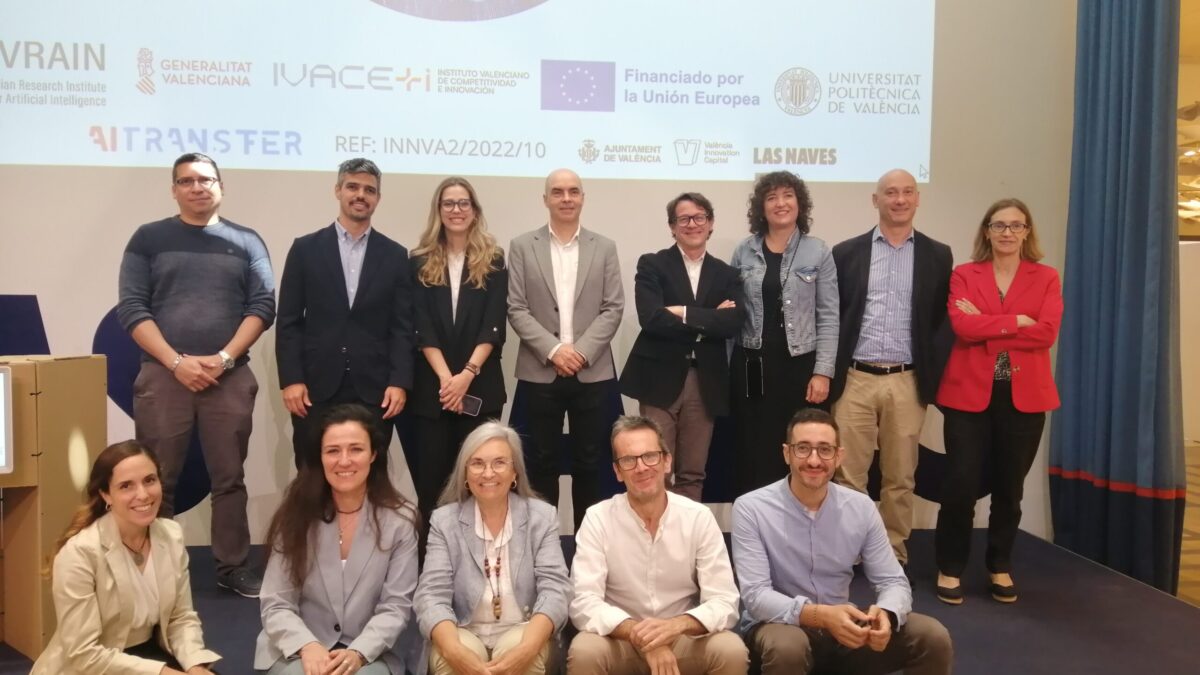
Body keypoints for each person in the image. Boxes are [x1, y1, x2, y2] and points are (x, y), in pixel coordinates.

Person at [117, 151, 275, 598]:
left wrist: (223, 359)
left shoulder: (247, 241)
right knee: (154, 480)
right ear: (174, 190)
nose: (197, 187)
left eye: (206, 179)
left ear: (221, 187)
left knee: (229, 478)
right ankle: (152, 570)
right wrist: (176, 362)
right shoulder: (148, 238)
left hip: (229, 376)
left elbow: (263, 305)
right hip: (164, 376)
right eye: (186, 181)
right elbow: (132, 307)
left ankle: (233, 567)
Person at [731, 408, 952, 675]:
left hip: (841, 629)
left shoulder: (860, 507)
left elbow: (892, 581)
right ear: (787, 453)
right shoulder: (751, 508)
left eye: (825, 450)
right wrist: (822, 616)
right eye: (803, 449)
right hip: (779, 626)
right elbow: (756, 597)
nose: (814, 460)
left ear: (839, 456)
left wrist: (887, 613)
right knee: (787, 647)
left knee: (931, 636)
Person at [934, 198, 1062, 605]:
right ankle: (950, 567)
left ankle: (999, 565)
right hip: (968, 396)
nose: (1007, 232)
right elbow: (962, 326)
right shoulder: (965, 274)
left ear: (1027, 232)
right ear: (987, 232)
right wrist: (1017, 322)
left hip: (1024, 399)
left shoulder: (1046, 277)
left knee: (1010, 489)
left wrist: (988, 324)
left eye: (1016, 225)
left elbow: (1046, 333)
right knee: (961, 485)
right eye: (999, 225)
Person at [829, 168, 953, 567]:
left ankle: (892, 553)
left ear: (917, 199)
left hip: (906, 379)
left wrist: (931, 376)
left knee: (900, 477)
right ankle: (849, 552)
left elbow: (939, 323)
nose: (899, 200)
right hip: (855, 378)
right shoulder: (846, 253)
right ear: (875, 200)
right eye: (890, 193)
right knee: (848, 476)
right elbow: (834, 316)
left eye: (907, 192)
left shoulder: (938, 255)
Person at [568, 416, 747, 675]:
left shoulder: (698, 517)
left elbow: (724, 601)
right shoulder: (598, 518)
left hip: (682, 638)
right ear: (617, 471)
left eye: (650, 456)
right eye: (629, 460)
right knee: (585, 651)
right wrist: (640, 635)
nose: (641, 467)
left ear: (667, 461)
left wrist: (676, 626)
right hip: (620, 639)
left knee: (730, 650)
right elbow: (583, 602)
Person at [255, 404, 420, 674]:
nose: (344, 461)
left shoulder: (400, 520)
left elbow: (396, 607)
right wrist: (308, 646)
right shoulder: (295, 514)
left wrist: (358, 653)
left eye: (356, 449)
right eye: (333, 451)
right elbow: (276, 601)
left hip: (368, 652)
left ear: (373, 454)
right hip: (297, 647)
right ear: (320, 457)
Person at [32, 441, 221, 674]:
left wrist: (194, 665)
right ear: (106, 495)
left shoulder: (171, 535)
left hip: (147, 652)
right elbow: (84, 654)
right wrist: (165, 673)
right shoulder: (79, 553)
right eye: (126, 486)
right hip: (89, 666)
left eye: (149, 480)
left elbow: (180, 618)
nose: (143, 494)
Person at [276, 158, 415, 471]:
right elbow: (288, 322)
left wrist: (399, 382)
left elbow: (402, 327)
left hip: (375, 389)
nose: (360, 195)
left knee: (370, 474)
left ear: (378, 198)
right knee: (312, 472)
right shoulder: (305, 249)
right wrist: (292, 379)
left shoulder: (394, 255)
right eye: (353, 187)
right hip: (315, 387)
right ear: (338, 190)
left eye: (369, 190)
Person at [507, 168, 624, 530]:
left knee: (592, 464)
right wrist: (555, 350)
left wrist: (580, 352)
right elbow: (516, 308)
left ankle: (591, 547)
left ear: (583, 198)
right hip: (540, 370)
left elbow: (613, 307)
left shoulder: (604, 247)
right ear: (545, 199)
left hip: (593, 371)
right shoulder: (522, 246)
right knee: (540, 463)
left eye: (573, 191)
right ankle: (544, 547)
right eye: (557, 192)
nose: (566, 198)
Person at [415, 422, 571, 675]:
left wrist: (528, 648)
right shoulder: (444, 521)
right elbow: (431, 595)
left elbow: (556, 591)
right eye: (477, 464)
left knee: (522, 655)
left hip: (524, 629)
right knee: (449, 659)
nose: (488, 473)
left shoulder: (542, 517)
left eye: (499, 463)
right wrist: (455, 651)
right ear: (465, 474)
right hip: (464, 631)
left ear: (515, 472)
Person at [619, 192, 743, 501]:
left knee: (693, 472)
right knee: (653, 469)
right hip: (659, 378)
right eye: (683, 219)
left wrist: (682, 312)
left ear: (710, 224)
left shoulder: (727, 273)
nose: (692, 224)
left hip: (706, 381)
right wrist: (710, 317)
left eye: (699, 217)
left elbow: (732, 323)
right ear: (672, 227)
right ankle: (653, 530)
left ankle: (686, 532)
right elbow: (651, 318)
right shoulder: (652, 264)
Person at [729, 171, 838, 496]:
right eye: (772, 197)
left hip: (800, 367)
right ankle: (756, 522)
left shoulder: (818, 251)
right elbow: (732, 312)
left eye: (788, 195)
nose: (781, 203)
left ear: (799, 203)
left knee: (800, 448)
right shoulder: (744, 251)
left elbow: (829, 315)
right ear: (761, 207)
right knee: (753, 450)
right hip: (752, 366)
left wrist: (823, 372)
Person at [410, 177, 508, 533]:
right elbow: (421, 327)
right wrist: (446, 380)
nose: (456, 210)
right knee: (433, 489)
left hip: (480, 389)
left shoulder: (493, 260)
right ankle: (433, 559)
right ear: (438, 210)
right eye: (449, 203)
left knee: (481, 484)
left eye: (463, 203)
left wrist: (466, 375)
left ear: (474, 210)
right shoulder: (418, 261)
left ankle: (481, 559)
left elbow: (493, 326)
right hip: (433, 392)